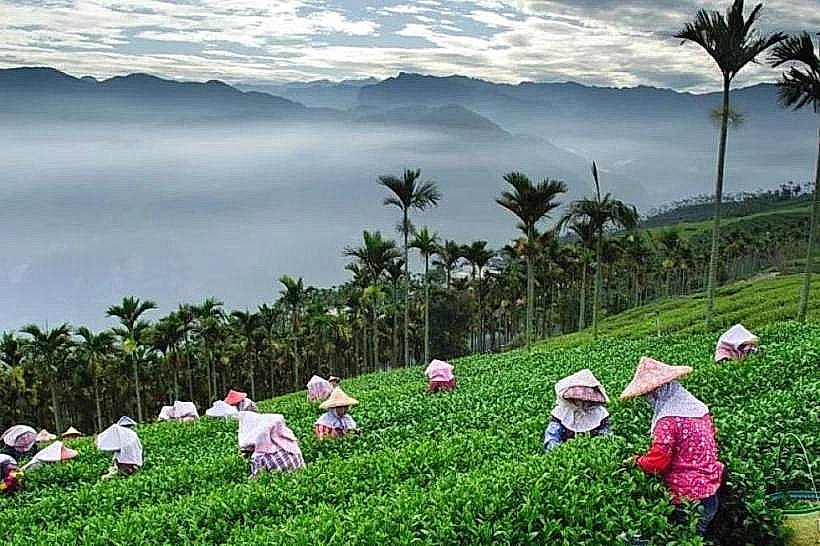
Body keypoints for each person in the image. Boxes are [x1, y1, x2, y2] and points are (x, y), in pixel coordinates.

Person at [620, 357, 725, 536]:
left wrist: (636, 461)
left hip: (689, 498)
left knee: (686, 538)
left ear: (660, 391)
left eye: (649, 395)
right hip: (710, 492)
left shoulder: (668, 421)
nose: (648, 399)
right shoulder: (698, 409)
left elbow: (658, 462)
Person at [543, 369, 610, 452]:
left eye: (586, 400)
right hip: (567, 449)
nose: (582, 403)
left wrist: (598, 449)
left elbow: (605, 436)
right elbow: (552, 436)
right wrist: (559, 452)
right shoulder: (561, 413)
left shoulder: (599, 414)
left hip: (591, 449)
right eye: (579, 399)